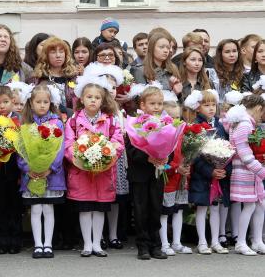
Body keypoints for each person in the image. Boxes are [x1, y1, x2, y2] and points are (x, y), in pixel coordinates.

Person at [65, 74, 123, 258]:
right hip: (81, 173)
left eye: (97, 98)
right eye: (89, 97)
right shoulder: (74, 120)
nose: (93, 100)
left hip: (103, 172)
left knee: (99, 208)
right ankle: (87, 244)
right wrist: (79, 157)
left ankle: (97, 243)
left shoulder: (110, 120)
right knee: (85, 208)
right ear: (82, 99)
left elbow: (117, 141)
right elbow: (68, 143)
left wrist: (109, 152)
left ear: (102, 100)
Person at [17, 83, 65, 259]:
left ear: (50, 103)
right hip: (31, 175)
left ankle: (48, 244)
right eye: (38, 102)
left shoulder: (56, 122)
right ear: (31, 103)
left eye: (46, 101)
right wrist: (27, 168)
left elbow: (60, 148)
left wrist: (51, 169)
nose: (42, 105)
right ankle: (38, 244)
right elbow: (21, 149)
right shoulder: (26, 124)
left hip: (51, 175)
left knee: (48, 209)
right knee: (36, 209)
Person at [184, 89, 231, 255]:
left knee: (216, 208)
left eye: (213, 105)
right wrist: (210, 171)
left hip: (219, 175)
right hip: (202, 176)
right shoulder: (195, 126)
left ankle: (216, 240)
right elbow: (194, 154)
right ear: (198, 107)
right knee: (202, 208)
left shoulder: (220, 125)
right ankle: (202, 241)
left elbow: (227, 148)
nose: (211, 108)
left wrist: (223, 169)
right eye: (206, 105)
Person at [126, 86, 169, 260]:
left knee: (156, 208)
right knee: (141, 209)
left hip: (157, 173)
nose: (157, 107)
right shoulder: (134, 124)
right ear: (142, 105)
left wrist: (166, 157)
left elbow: (170, 145)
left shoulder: (166, 123)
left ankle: (156, 244)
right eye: (152, 103)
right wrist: (148, 158)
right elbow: (131, 149)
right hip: (140, 173)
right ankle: (142, 245)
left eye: (159, 103)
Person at [226, 94, 265, 255]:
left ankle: (257, 241)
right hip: (245, 171)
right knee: (249, 206)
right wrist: (261, 171)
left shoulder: (245, 123)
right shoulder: (244, 125)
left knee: (259, 205)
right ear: (258, 108)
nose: (262, 116)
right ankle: (241, 242)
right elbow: (244, 153)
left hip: (250, 172)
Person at [0, 86, 23, 254]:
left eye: (5, 102)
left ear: (13, 102)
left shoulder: (19, 121)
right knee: (0, 204)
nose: (2, 106)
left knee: (15, 205)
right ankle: (2, 240)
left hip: (15, 169)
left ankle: (15, 239)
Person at [159, 95, 193, 256]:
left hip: (181, 179)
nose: (174, 121)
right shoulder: (161, 134)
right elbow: (160, 161)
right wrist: (174, 168)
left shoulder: (182, 133)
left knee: (178, 210)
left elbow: (186, 153)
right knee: (165, 212)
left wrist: (187, 166)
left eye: (178, 117)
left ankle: (177, 242)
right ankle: (164, 243)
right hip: (168, 180)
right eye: (170, 117)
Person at [31, 36, 77, 117]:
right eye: (53, 52)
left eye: (61, 51)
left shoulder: (74, 77)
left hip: (72, 121)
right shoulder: (37, 79)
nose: (58, 55)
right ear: (46, 55)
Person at [207, 39, 244, 103]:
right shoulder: (212, 73)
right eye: (227, 52)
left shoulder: (243, 72)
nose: (232, 55)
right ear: (220, 54)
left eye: (234, 51)